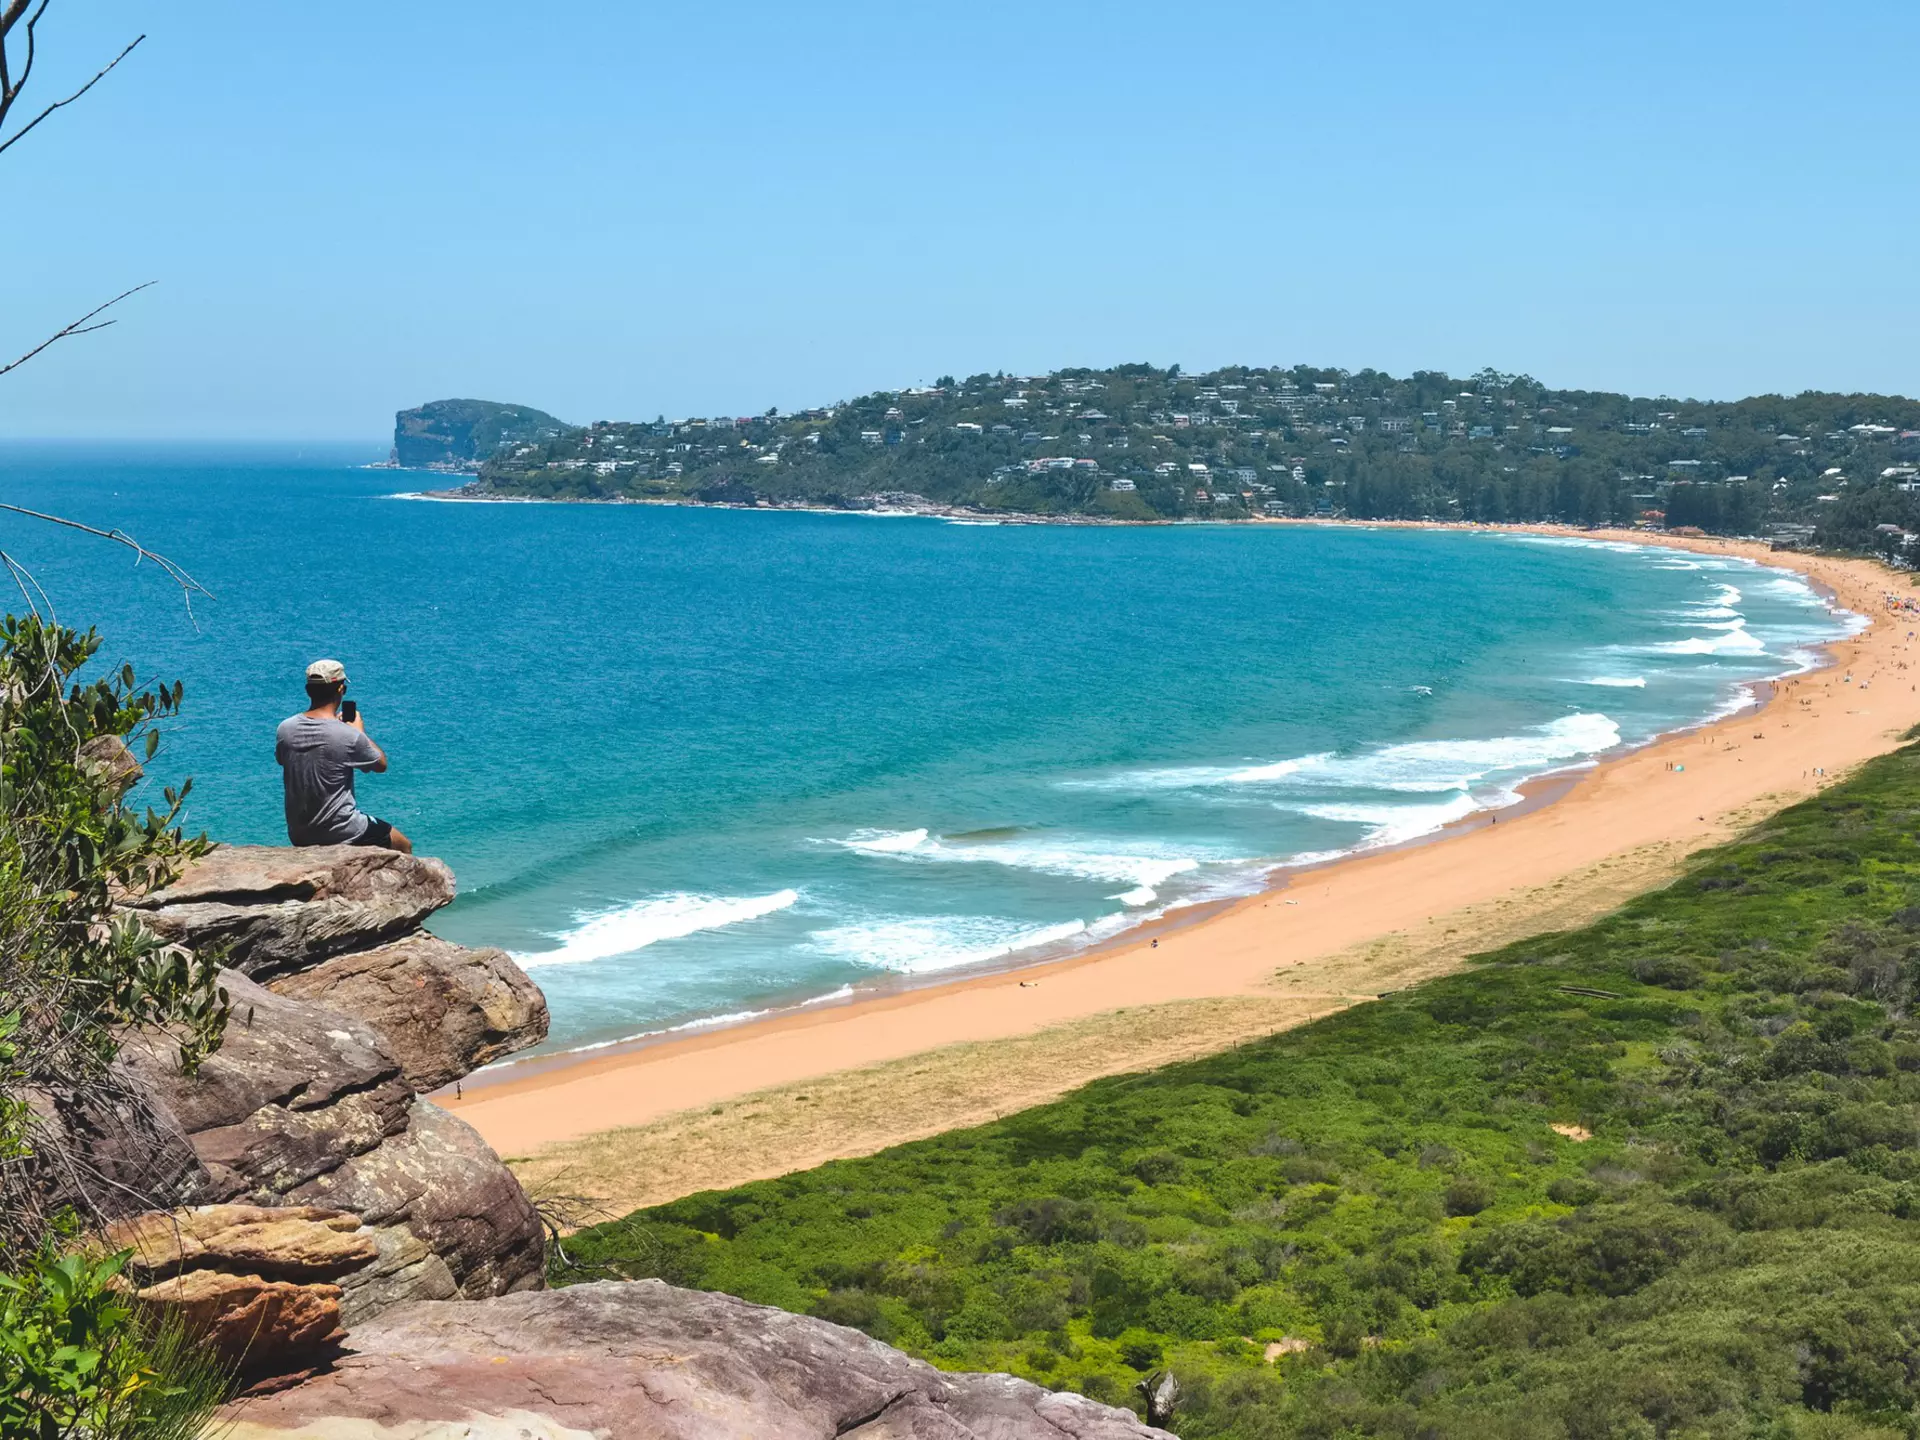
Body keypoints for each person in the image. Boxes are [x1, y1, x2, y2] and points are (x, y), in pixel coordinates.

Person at [275, 659, 412, 853]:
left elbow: (282, 759)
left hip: (299, 833)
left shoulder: (285, 728)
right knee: (403, 844)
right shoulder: (348, 735)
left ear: (308, 691)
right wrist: (360, 732)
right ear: (340, 690)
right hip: (341, 830)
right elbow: (381, 764)